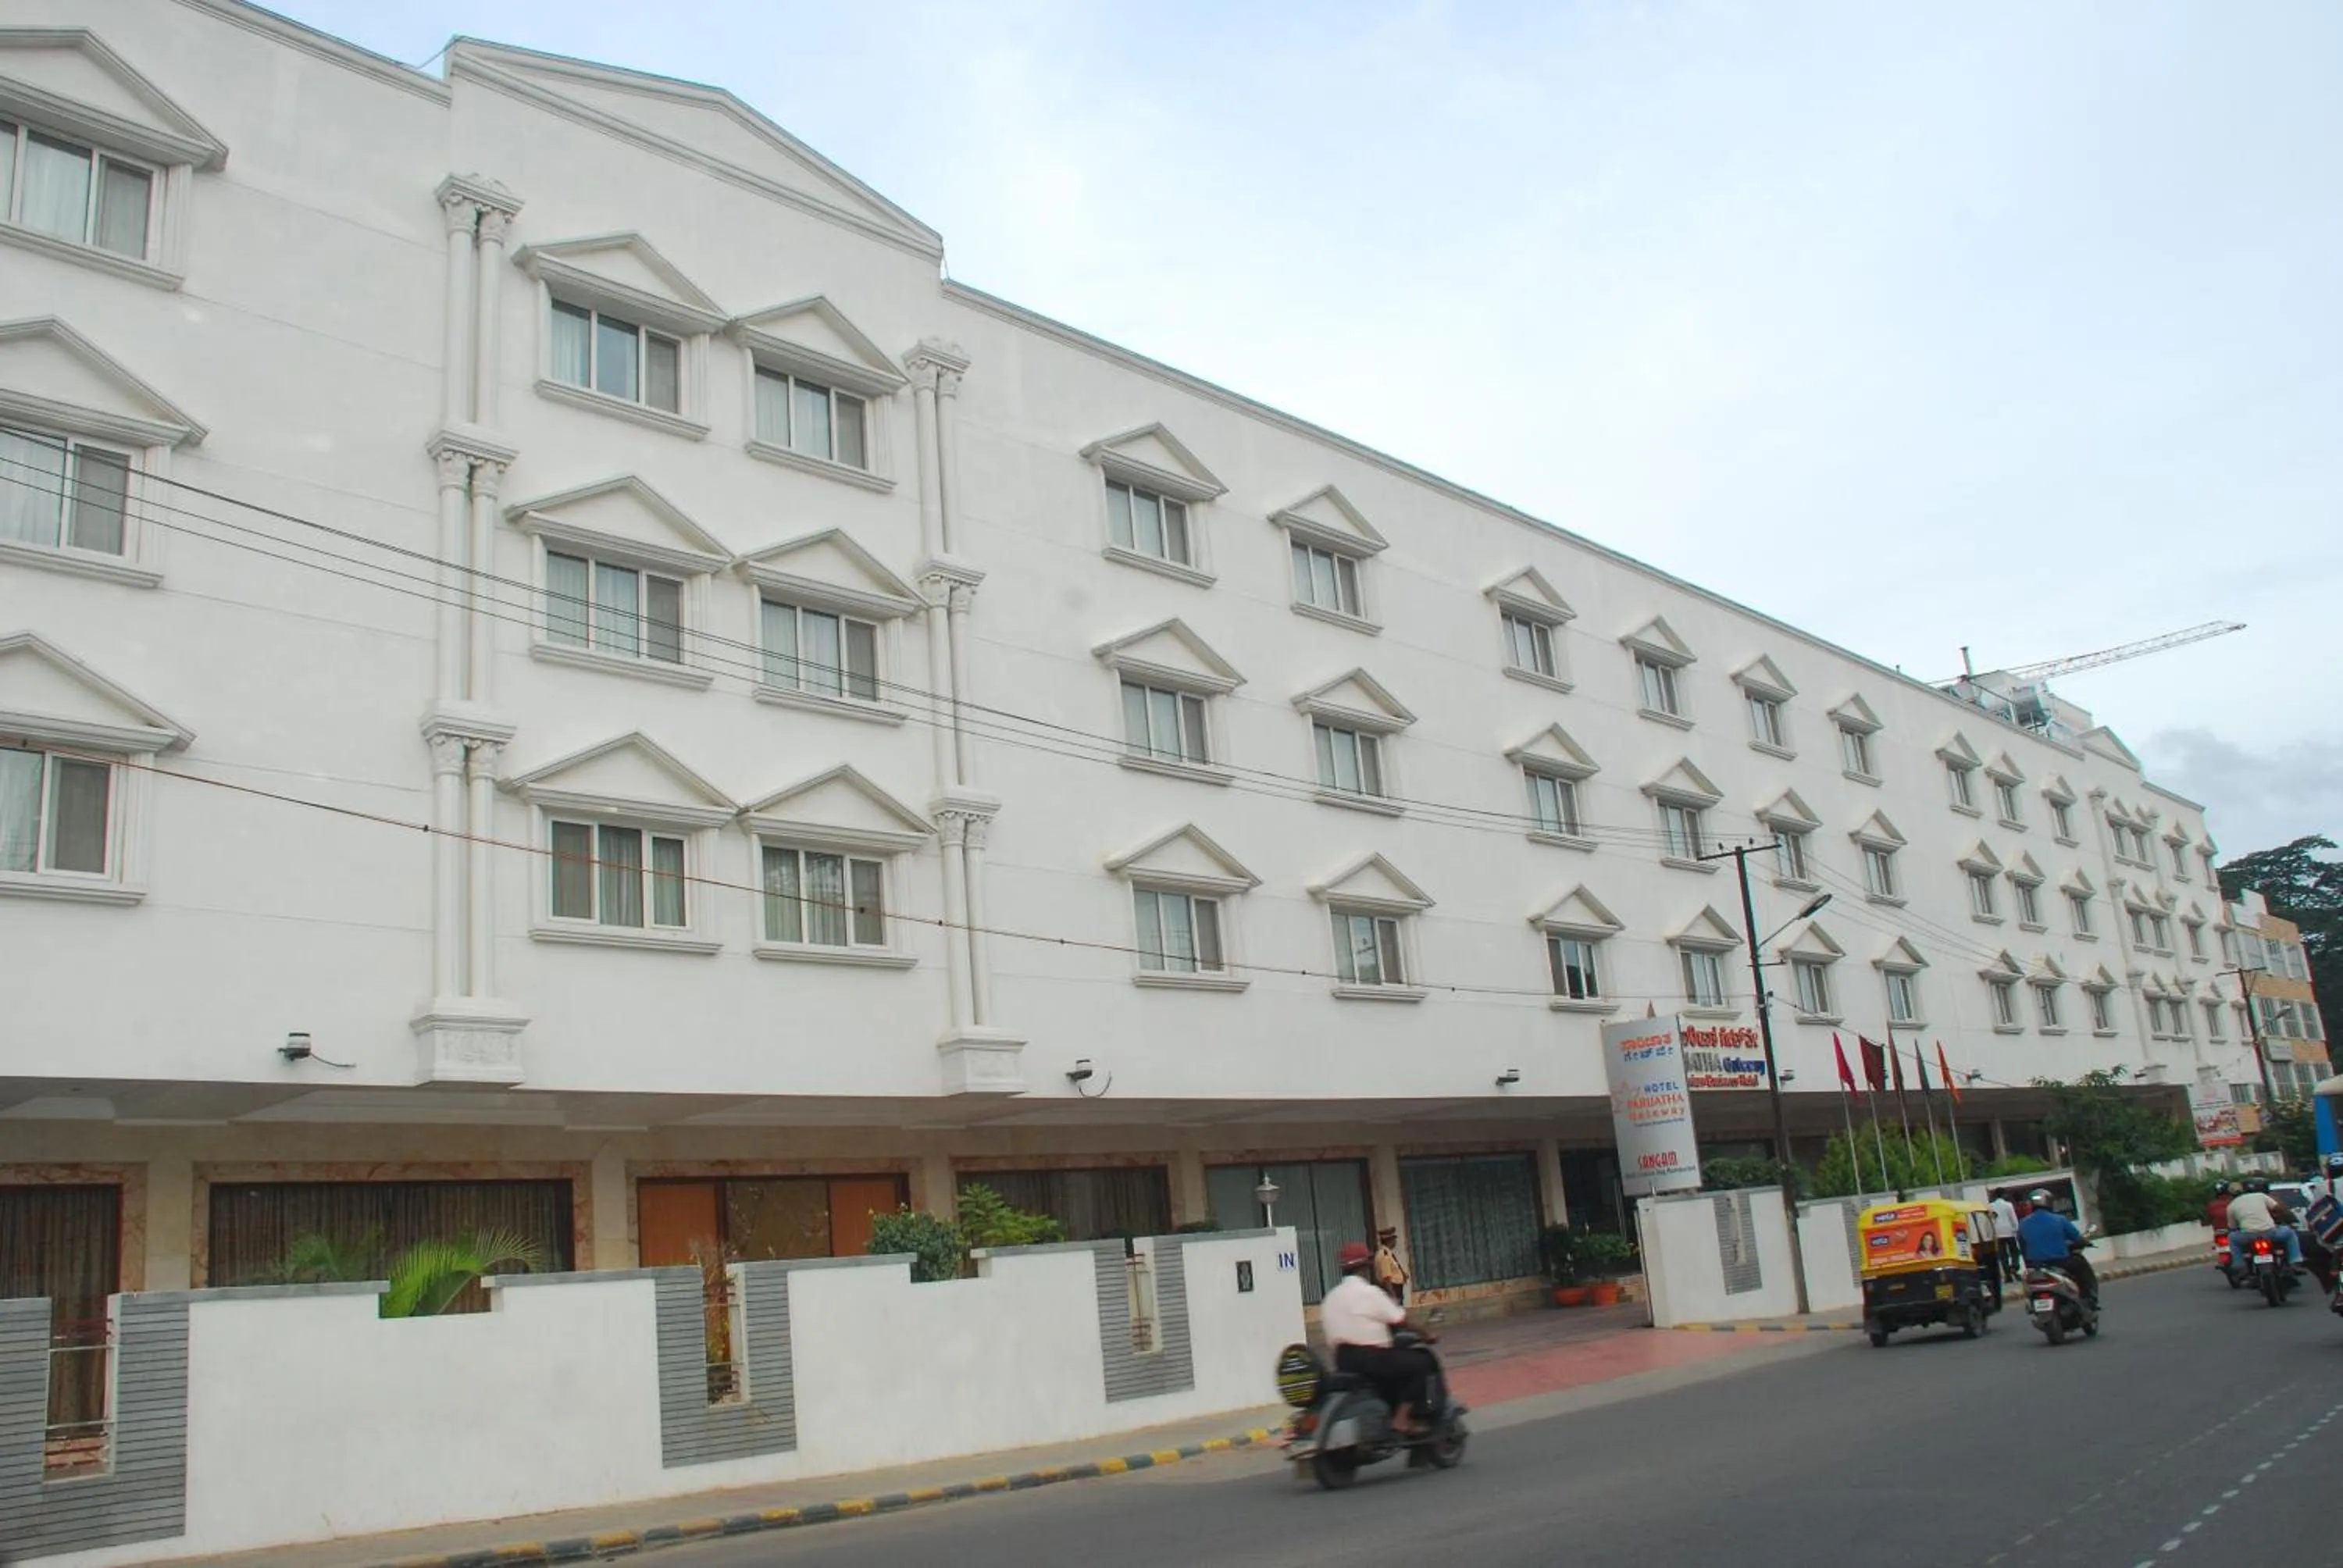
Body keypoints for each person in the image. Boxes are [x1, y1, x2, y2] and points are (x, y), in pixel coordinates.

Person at [1321, 1240, 1437, 1434]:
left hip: (1343, 1361)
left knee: (1394, 1367)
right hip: (1371, 1358)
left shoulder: (1330, 1298)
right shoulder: (1369, 1293)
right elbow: (1400, 1320)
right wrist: (1427, 1334)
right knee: (1421, 1363)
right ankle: (1401, 1420)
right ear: (1365, 1268)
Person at [2015, 1188, 2098, 1306]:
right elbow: (2077, 1239)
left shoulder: (2023, 1223)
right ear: (2049, 1202)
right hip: (2060, 1262)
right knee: (2081, 1264)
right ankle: (2090, 1298)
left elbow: (2022, 1245)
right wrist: (2085, 1242)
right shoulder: (2060, 1219)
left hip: (2036, 1266)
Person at [2224, 1177, 2304, 1270]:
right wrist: (2290, 1220)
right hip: (2270, 1232)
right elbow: (2279, 1209)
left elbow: (2232, 1227)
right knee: (2290, 1233)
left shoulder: (2231, 1205)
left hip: (2248, 1235)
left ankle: (2239, 1265)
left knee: (2232, 1238)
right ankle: (2295, 1260)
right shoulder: (2261, 1196)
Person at [1989, 1190, 2022, 1283]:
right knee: (2014, 1251)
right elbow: (2013, 1218)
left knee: (2003, 1255)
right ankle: (2015, 1267)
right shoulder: (2008, 1205)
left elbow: (1991, 1219)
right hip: (2009, 1231)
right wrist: (2016, 1229)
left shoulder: (1990, 1206)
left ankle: (2007, 1274)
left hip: (1998, 1233)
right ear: (2003, 1195)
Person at [1372, 1227, 1410, 1306]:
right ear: (1389, 1240)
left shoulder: (1387, 1253)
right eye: (1394, 1239)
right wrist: (1393, 1296)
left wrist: (1402, 1275)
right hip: (1393, 1289)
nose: (1395, 1241)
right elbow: (1387, 1279)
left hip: (1396, 1289)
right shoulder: (1384, 1255)